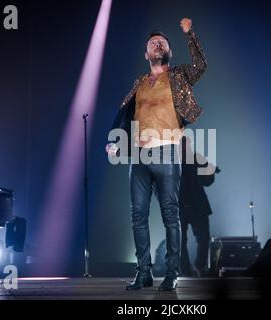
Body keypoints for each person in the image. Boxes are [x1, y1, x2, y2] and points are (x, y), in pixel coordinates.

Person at [106, 18, 207, 291]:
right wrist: (115, 141)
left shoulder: (178, 76)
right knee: (137, 215)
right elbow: (125, 114)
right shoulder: (139, 82)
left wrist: (189, 33)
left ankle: (172, 273)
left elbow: (201, 66)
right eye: (152, 43)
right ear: (146, 54)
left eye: (162, 42)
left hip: (167, 152)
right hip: (139, 156)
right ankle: (144, 273)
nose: (157, 44)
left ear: (169, 52)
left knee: (170, 214)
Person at [179, 136, 218, 277]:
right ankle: (186, 271)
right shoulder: (172, 160)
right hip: (180, 206)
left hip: (197, 205)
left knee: (204, 239)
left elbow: (208, 181)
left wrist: (210, 171)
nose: (185, 147)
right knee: (179, 241)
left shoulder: (197, 158)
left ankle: (197, 267)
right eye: (183, 145)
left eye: (187, 144)